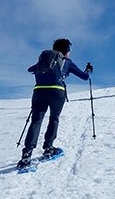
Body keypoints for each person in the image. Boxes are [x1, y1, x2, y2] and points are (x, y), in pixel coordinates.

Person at [17, 38, 92, 170]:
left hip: (39, 92)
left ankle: (26, 155)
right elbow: (84, 77)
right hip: (57, 92)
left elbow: (30, 69)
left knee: (36, 121)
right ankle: (48, 148)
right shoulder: (66, 62)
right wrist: (88, 70)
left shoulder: (45, 60)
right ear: (66, 51)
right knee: (54, 119)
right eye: (69, 50)